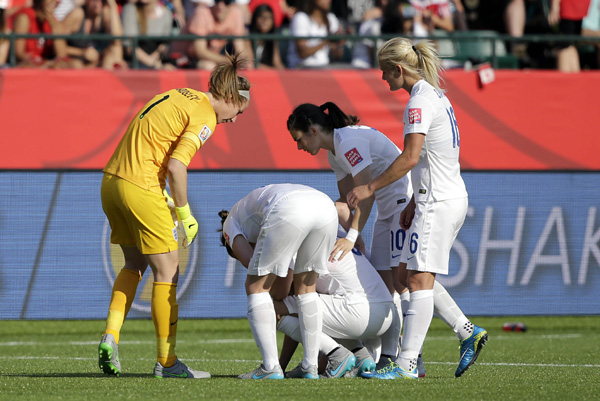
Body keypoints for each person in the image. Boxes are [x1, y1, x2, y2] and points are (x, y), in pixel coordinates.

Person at [98, 53, 252, 379]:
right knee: (168, 271)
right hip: (140, 185)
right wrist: (185, 213)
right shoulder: (206, 114)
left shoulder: (178, 93)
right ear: (229, 97)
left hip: (111, 182)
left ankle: (110, 336)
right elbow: (176, 165)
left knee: (134, 265)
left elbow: (152, 144)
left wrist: (162, 191)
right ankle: (167, 362)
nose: (235, 120)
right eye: (238, 111)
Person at [347, 37, 487, 379]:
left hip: (438, 200)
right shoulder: (434, 95)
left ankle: (407, 364)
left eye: (384, 72)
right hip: (434, 196)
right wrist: (412, 201)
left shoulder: (419, 102)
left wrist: (369, 187)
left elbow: (410, 158)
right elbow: (431, 158)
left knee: (418, 278)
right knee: (402, 275)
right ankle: (466, 330)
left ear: (398, 69)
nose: (382, 79)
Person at [287, 101, 410, 367]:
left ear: (312, 130)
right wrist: (349, 231)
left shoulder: (347, 142)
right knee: (384, 284)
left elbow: (365, 193)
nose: (299, 147)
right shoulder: (335, 154)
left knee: (405, 283)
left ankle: (410, 356)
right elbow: (348, 202)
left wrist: (352, 237)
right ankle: (380, 359)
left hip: (403, 203)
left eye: (299, 139)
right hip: (387, 210)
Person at [219, 183, 338, 379]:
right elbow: (283, 285)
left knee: (255, 287)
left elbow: (254, 267)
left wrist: (264, 286)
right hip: (325, 207)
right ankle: (310, 366)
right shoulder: (253, 215)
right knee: (307, 288)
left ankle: (270, 368)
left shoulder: (229, 225)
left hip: (289, 208)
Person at [174, 0, 247, 70]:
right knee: (209, 66)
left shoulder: (236, 13)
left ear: (232, 4)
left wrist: (240, 61)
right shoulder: (201, 12)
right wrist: (229, 61)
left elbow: (240, 51)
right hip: (180, 59)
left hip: (208, 60)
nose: (220, 6)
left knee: (247, 66)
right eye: (217, 0)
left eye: (226, 1)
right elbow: (200, 52)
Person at [62, 0, 127, 69]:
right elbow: (58, 47)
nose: (97, 2)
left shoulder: (105, 13)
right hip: (78, 62)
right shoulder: (77, 14)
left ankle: (109, 78)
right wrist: (82, 52)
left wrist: (113, 7)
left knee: (116, 49)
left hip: (99, 61)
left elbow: (117, 40)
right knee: (76, 65)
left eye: (102, 0)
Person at [286, 0, 345, 69]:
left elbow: (337, 56)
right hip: (300, 68)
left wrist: (339, 42)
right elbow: (302, 53)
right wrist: (327, 40)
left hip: (324, 68)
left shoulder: (331, 18)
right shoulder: (300, 17)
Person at [11, 0, 70, 67]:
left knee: (74, 64)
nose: (53, 2)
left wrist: (51, 20)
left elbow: (62, 55)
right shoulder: (24, 17)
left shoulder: (54, 22)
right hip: (29, 65)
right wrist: (41, 62)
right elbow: (19, 53)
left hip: (47, 64)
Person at [121, 0, 175, 69]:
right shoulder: (130, 10)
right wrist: (152, 63)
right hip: (134, 64)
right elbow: (129, 47)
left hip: (157, 62)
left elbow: (164, 45)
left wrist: (156, 62)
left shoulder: (166, 13)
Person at [548, 0, 592, 72]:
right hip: (572, 7)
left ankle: (569, 79)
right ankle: (570, 80)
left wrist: (555, 5)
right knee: (568, 45)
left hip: (573, 7)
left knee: (568, 45)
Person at [246, 3, 285, 69]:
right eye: (261, 17)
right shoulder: (247, 36)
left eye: (269, 17)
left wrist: (285, 74)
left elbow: (278, 63)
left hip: (265, 76)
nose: (265, 21)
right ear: (255, 18)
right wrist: (274, 71)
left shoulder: (272, 38)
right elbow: (250, 65)